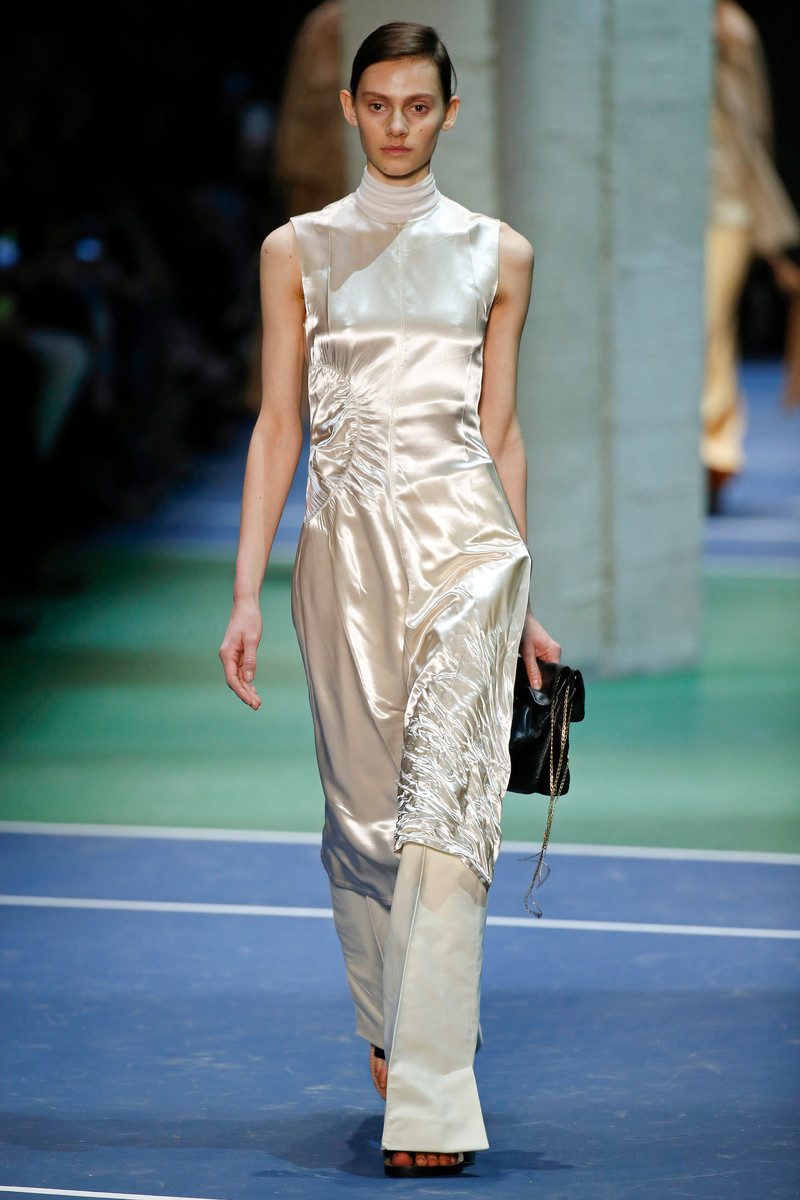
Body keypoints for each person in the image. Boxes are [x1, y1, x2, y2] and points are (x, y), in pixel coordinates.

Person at [219, 22, 561, 1178]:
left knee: (447, 820)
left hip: (466, 551)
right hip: (345, 556)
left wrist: (521, 590)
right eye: (378, 104)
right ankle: (392, 1021)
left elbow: (499, 431)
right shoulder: (296, 250)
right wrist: (245, 592)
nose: (398, 124)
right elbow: (277, 425)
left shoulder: (498, 252)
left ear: (448, 112)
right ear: (350, 108)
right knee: (365, 826)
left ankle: (430, 1096)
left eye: (418, 105)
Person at [704, 0, 800, 510]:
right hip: (659, 205)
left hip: (726, 202)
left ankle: (713, 451)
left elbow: (751, 123)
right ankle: (709, 449)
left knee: (710, 326)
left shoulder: (731, 28)